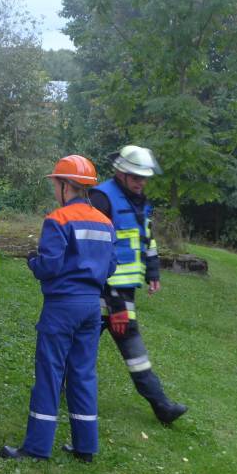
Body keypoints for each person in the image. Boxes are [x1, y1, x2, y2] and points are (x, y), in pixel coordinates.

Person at [0, 155, 116, 462]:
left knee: (50, 373)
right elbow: (111, 266)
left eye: (55, 184)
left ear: (66, 186)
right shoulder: (106, 223)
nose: (54, 190)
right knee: (83, 374)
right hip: (91, 307)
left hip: (62, 306)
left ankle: (37, 447)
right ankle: (85, 447)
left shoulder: (58, 219)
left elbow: (49, 267)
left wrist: (33, 262)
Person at [89, 144, 187, 424]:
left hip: (123, 291)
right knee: (115, 345)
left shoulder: (139, 201)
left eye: (144, 178)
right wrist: (115, 301)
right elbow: (96, 252)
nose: (141, 182)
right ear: (120, 172)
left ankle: (161, 405)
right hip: (102, 291)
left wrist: (152, 272)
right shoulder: (101, 198)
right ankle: (161, 406)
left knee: (87, 343)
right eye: (135, 177)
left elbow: (147, 239)